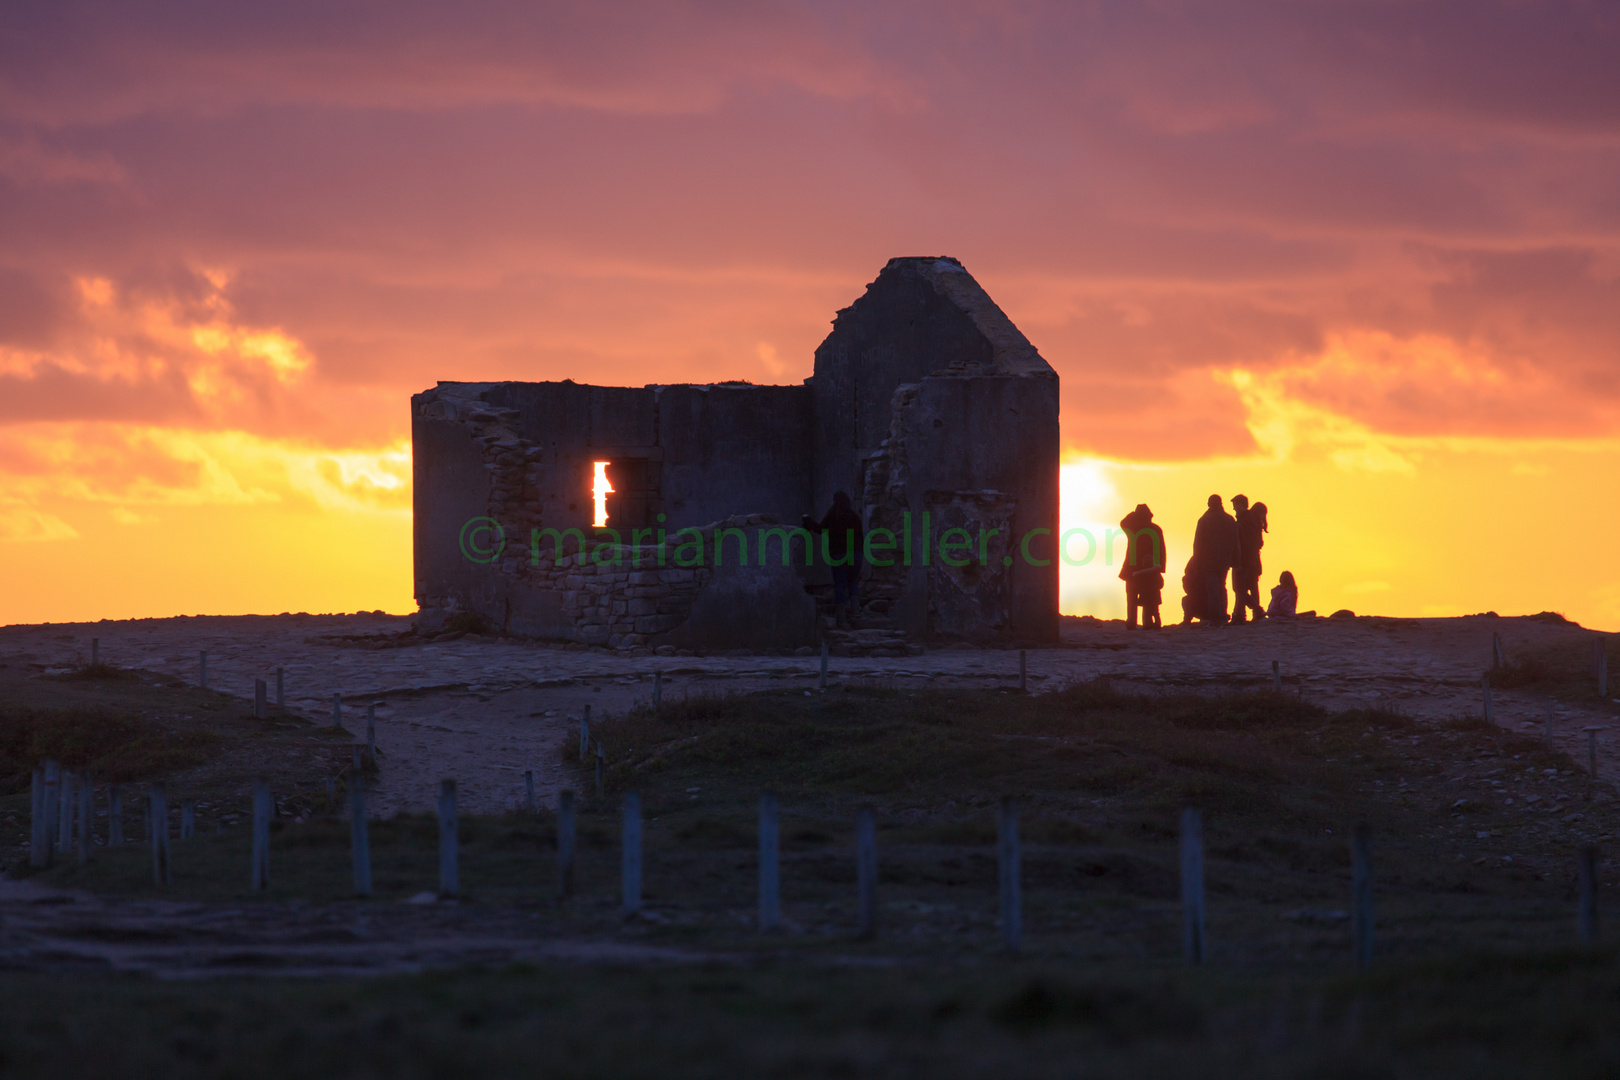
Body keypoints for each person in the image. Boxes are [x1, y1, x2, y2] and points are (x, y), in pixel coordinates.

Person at [803, 491, 863, 628]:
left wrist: (807, 520)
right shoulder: (855, 517)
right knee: (853, 583)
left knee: (840, 585)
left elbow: (820, 529)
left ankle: (842, 620)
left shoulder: (833, 516)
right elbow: (861, 537)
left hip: (840, 555)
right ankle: (856, 614)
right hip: (857, 554)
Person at [1191, 493, 1239, 626]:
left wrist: (1196, 561)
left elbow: (1198, 543)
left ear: (1209, 504)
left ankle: (1215, 617)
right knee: (1221, 587)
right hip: (1225, 560)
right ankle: (1222, 614)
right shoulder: (1229, 519)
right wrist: (1236, 559)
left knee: (1212, 588)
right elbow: (1235, 542)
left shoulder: (1204, 520)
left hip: (1209, 560)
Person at [1117, 504, 1166, 629]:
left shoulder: (1133, 527)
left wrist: (1132, 514)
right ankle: (1148, 623)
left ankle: (1132, 622)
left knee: (1132, 597)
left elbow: (1123, 522)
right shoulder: (1155, 529)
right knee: (1149, 598)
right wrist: (1160, 567)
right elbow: (1162, 550)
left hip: (1132, 568)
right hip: (1150, 569)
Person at [1232, 496, 1268, 624]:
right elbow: (1258, 543)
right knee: (1252, 587)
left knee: (1239, 588)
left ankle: (1245, 614)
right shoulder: (1255, 521)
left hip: (1245, 560)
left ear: (1241, 505)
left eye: (1235, 505)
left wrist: (1238, 561)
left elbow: (1242, 543)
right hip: (1254, 560)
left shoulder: (1244, 521)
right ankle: (1251, 613)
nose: (1234, 508)